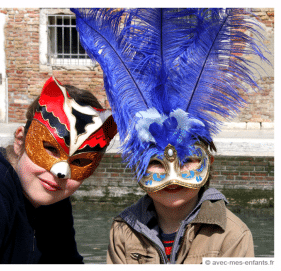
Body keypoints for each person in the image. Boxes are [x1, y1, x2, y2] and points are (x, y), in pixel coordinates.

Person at [71, 8, 270, 264]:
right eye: (155, 162)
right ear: (136, 166)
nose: (173, 175)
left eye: (188, 160)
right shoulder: (123, 231)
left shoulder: (232, 235)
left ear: (209, 162)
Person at [0, 76, 117, 263]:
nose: (61, 172)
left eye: (80, 161)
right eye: (50, 148)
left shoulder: (53, 198)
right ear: (19, 141)